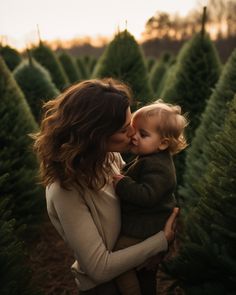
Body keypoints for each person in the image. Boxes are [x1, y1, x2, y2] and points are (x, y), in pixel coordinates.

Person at [32, 78, 179, 295]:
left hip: (138, 269)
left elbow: (147, 197)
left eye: (130, 122)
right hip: (105, 288)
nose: (132, 132)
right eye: (123, 129)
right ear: (95, 135)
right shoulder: (65, 189)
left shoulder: (109, 158)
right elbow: (99, 268)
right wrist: (160, 241)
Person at [112, 100, 188, 295]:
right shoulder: (151, 158)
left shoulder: (158, 166)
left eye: (142, 134)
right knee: (146, 273)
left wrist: (122, 183)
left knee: (118, 257)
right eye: (133, 130)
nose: (133, 137)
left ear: (163, 143)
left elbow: (147, 196)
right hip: (146, 227)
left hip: (144, 229)